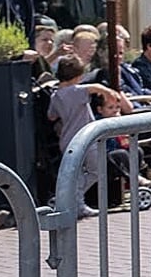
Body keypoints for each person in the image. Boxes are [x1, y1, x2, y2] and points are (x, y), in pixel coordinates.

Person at [47, 57, 133, 215]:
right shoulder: (75, 91)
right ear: (78, 76)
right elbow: (95, 87)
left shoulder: (55, 96)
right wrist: (110, 92)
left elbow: (51, 116)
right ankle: (74, 200)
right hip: (85, 137)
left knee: (77, 173)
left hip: (67, 139)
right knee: (97, 170)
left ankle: (71, 199)